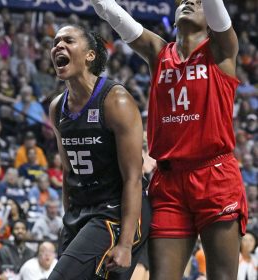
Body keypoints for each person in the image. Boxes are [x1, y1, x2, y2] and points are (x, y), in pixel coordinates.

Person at [90, 0, 248, 279]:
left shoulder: (221, 50)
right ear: (172, 19)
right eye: (184, 1)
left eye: (198, 2)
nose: (189, 2)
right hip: (169, 182)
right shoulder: (159, 53)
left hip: (215, 175)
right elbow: (110, 11)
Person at [47, 24, 150, 280]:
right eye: (56, 42)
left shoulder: (116, 101)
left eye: (68, 40)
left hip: (115, 210)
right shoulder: (56, 107)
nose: (58, 46)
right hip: (80, 211)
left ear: (90, 55)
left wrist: (126, 244)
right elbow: (68, 171)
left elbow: (133, 178)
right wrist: (68, 220)